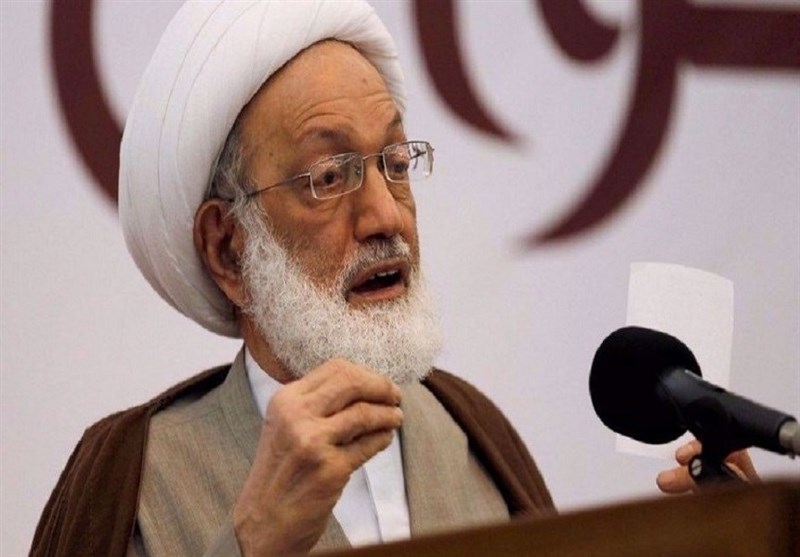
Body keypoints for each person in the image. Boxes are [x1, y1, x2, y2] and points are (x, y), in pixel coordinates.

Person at [30, 1, 756, 556]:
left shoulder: (471, 435)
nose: (386, 216)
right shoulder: (136, 477)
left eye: (397, 164)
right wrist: (253, 542)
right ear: (228, 249)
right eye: (329, 176)